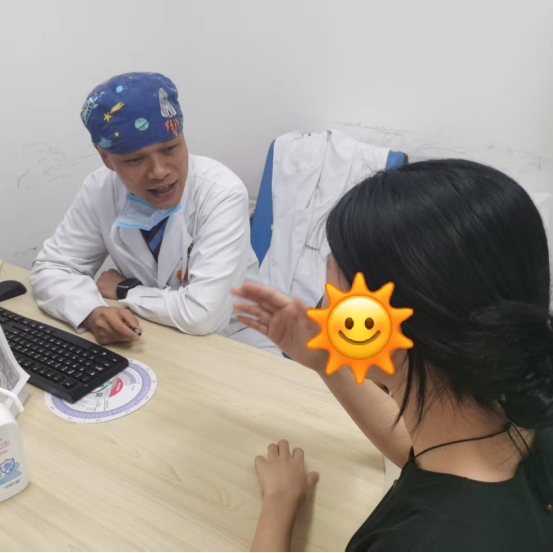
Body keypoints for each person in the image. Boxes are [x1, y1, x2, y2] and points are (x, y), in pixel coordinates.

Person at [233, 159, 553, 551]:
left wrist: (279, 502)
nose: (322, 308)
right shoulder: (523, 416)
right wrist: (325, 361)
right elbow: (423, 453)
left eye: (334, 291)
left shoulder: (419, 541)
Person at [30, 72, 262, 347]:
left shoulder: (221, 192)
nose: (159, 172)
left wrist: (126, 290)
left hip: (238, 341)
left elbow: (203, 314)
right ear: (106, 158)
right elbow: (52, 268)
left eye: (170, 149)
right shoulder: (100, 189)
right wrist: (91, 312)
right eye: (135, 159)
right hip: (152, 336)